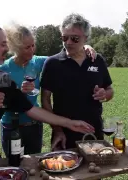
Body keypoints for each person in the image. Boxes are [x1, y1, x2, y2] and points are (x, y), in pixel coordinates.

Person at [0, 23, 97, 157]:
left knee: (34, 163)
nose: (32, 50)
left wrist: (84, 46)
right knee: (14, 164)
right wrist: (17, 93)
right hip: (11, 127)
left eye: (33, 45)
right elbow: (2, 103)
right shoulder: (3, 69)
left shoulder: (38, 62)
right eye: (27, 47)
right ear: (16, 48)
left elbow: (63, 57)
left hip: (35, 125)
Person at [40, 13, 114, 151]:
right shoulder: (52, 63)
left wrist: (105, 94)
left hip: (93, 131)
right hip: (64, 135)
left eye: (74, 38)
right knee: (64, 169)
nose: (68, 42)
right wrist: (57, 129)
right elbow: (45, 100)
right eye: (64, 37)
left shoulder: (97, 60)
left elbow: (110, 90)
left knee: (96, 170)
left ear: (85, 38)